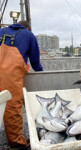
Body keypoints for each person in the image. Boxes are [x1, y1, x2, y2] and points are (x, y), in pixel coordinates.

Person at [0, 20, 43, 149]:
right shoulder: (29, 35)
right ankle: (16, 143)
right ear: (28, 28)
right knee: (12, 106)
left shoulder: (1, 31)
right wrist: (41, 73)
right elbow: (35, 61)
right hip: (9, 75)